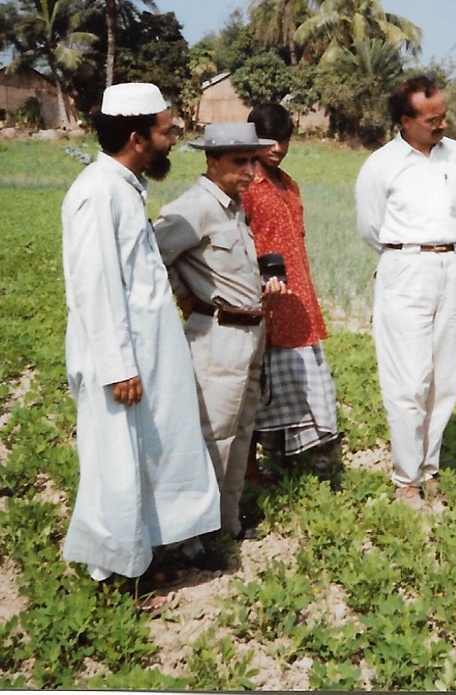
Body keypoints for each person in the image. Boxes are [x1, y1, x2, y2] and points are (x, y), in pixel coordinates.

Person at [61, 83, 220, 608]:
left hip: (146, 353)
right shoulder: (96, 193)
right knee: (117, 463)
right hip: (121, 361)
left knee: (149, 456)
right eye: (167, 131)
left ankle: (148, 556)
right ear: (136, 137)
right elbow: (95, 288)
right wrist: (116, 366)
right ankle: (117, 569)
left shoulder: (125, 187)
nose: (174, 139)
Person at [154, 122, 286, 550]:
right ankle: (193, 542)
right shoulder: (194, 207)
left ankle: (224, 528)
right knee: (212, 438)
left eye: (252, 161)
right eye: (238, 162)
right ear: (211, 162)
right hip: (216, 335)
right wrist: (185, 297)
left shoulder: (233, 207)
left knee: (240, 431)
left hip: (249, 333)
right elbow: (150, 255)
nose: (249, 170)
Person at [354, 75, 456, 511]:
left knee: (444, 377)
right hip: (404, 267)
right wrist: (404, 258)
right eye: (431, 118)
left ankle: (429, 467)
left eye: (443, 116)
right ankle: (406, 479)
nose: (441, 124)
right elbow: (370, 226)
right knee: (409, 379)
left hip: (451, 265)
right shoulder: (381, 165)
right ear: (406, 120)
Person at [242, 103, 338, 481]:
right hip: (262, 303)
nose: (278, 148)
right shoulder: (246, 185)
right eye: (269, 140)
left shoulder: (289, 185)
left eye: (284, 140)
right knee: (256, 391)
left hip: (297, 302)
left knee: (295, 391)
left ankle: (287, 465)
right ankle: (249, 474)